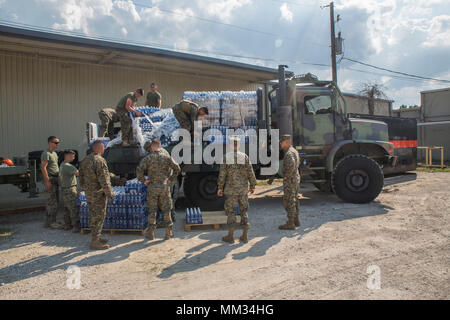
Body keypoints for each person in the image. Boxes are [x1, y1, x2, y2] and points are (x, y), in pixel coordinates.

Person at [136, 138, 180, 240]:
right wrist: (170, 179)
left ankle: (151, 233)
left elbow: (139, 169)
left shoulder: (148, 158)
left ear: (152, 147)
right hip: (164, 186)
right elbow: (177, 168)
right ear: (160, 146)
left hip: (152, 187)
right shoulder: (166, 156)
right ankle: (168, 233)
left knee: (152, 210)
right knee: (166, 210)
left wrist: (143, 180)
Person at [217, 137, 257, 244]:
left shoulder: (226, 157)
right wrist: (252, 185)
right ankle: (245, 236)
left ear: (230, 145)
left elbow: (222, 175)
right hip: (243, 190)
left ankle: (230, 236)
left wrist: (220, 187)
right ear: (238, 145)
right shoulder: (245, 157)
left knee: (231, 212)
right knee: (244, 211)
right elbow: (250, 173)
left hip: (231, 191)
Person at [79, 140, 114, 250]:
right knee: (99, 216)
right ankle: (95, 241)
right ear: (100, 148)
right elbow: (104, 180)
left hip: (89, 193)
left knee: (93, 215)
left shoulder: (85, 160)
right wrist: (110, 194)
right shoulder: (99, 160)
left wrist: (87, 188)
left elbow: (80, 178)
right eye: (103, 147)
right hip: (98, 194)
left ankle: (96, 237)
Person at [143, 139, 177, 222]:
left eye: (149, 150)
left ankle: (168, 219)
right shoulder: (161, 150)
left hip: (166, 179)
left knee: (164, 200)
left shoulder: (159, 154)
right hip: (168, 177)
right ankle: (171, 216)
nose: (149, 153)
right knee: (168, 198)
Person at [278, 134, 301, 230]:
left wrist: (286, 177)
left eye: (282, 142)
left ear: (287, 142)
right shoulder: (294, 151)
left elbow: (291, 166)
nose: (280, 143)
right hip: (295, 178)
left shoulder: (288, 154)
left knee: (289, 201)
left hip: (290, 180)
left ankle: (290, 223)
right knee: (295, 199)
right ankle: (296, 220)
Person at [41, 136, 63, 229]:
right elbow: (43, 168)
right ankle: (52, 222)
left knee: (55, 201)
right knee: (52, 202)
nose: (57, 144)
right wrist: (47, 181)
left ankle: (48, 222)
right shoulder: (46, 153)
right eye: (55, 142)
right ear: (50, 143)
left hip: (55, 179)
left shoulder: (54, 153)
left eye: (58, 142)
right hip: (50, 179)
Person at [59, 150, 80, 232]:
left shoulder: (62, 164)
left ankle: (67, 225)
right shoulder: (68, 166)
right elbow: (78, 173)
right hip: (70, 189)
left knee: (67, 208)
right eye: (72, 156)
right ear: (67, 156)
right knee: (73, 208)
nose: (74, 157)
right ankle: (75, 226)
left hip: (64, 188)